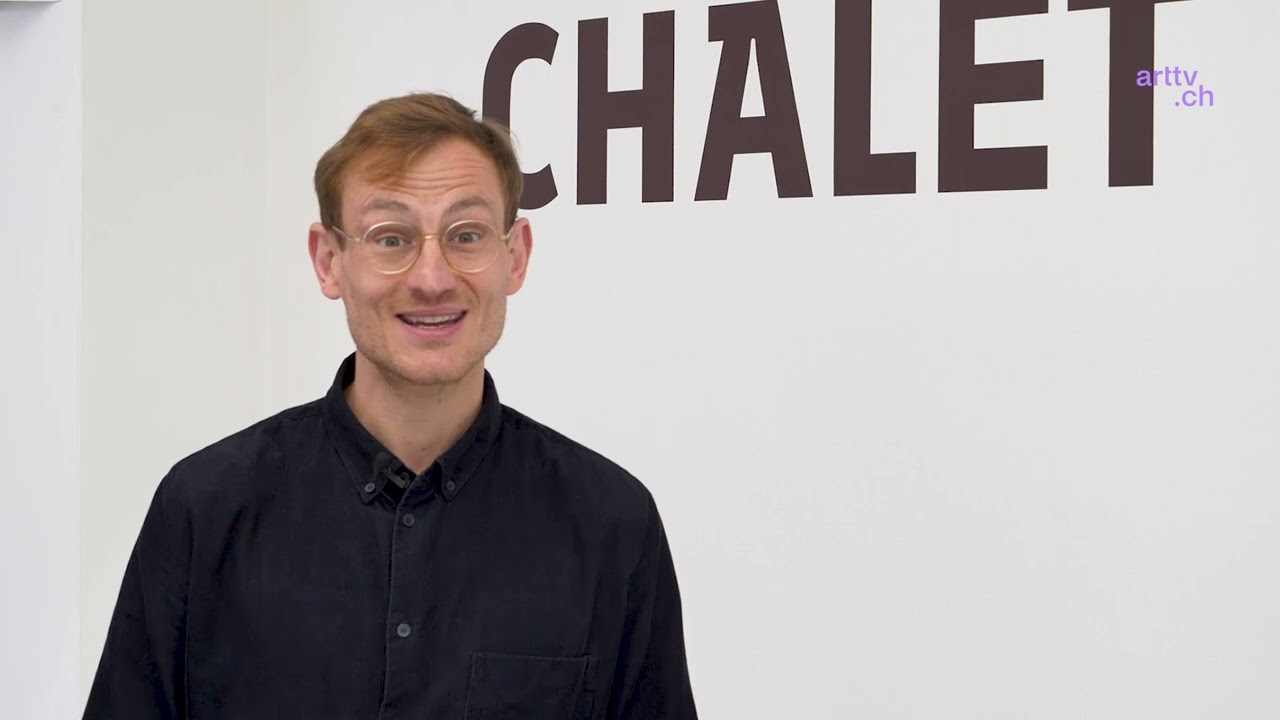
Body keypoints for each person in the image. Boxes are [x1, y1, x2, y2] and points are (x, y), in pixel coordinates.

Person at [83, 92, 698, 719]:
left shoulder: (611, 525)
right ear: (329, 261)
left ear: (514, 257)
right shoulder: (206, 509)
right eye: (391, 238)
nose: (432, 278)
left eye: (466, 235)